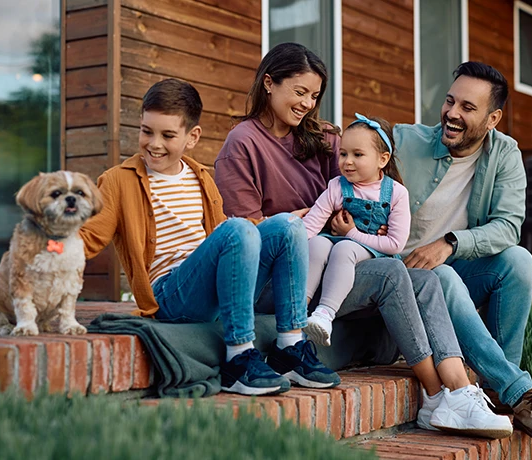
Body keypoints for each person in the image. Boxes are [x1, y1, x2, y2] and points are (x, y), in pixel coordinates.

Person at [216, 42, 512, 438]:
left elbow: (366, 167)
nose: (307, 103)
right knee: (392, 274)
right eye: (299, 92)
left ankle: (454, 395)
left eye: (314, 95)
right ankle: (437, 391)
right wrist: (291, 221)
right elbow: (243, 236)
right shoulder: (243, 142)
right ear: (269, 83)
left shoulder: (321, 140)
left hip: (332, 264)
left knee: (424, 277)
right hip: (279, 278)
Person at [79, 78, 340, 397]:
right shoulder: (119, 181)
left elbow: (229, 237)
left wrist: (278, 224)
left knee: (287, 226)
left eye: (168, 135)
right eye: (147, 131)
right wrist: (46, 246)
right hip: (169, 293)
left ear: (192, 137)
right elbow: (87, 237)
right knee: (238, 228)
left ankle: (289, 347)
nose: (154, 143)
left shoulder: (200, 176)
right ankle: (239, 358)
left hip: (213, 284)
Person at [394, 61, 532, 440]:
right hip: (401, 282)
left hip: (451, 268)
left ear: (493, 118)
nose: (452, 114)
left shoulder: (506, 154)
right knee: (439, 275)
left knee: (518, 261)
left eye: (467, 107)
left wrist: (450, 243)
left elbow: (509, 227)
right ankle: (520, 392)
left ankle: (497, 386)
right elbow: (354, 150)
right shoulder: (404, 141)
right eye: (450, 102)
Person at [302, 114, 411, 347]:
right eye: (343, 154)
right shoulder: (337, 186)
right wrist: (288, 241)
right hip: (340, 241)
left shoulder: (396, 193)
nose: (347, 161)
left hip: (374, 253)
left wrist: (351, 233)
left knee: (345, 248)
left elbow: (395, 244)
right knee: (318, 243)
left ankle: (325, 313)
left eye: (358, 155)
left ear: (382, 159)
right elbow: (312, 222)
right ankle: (299, 306)